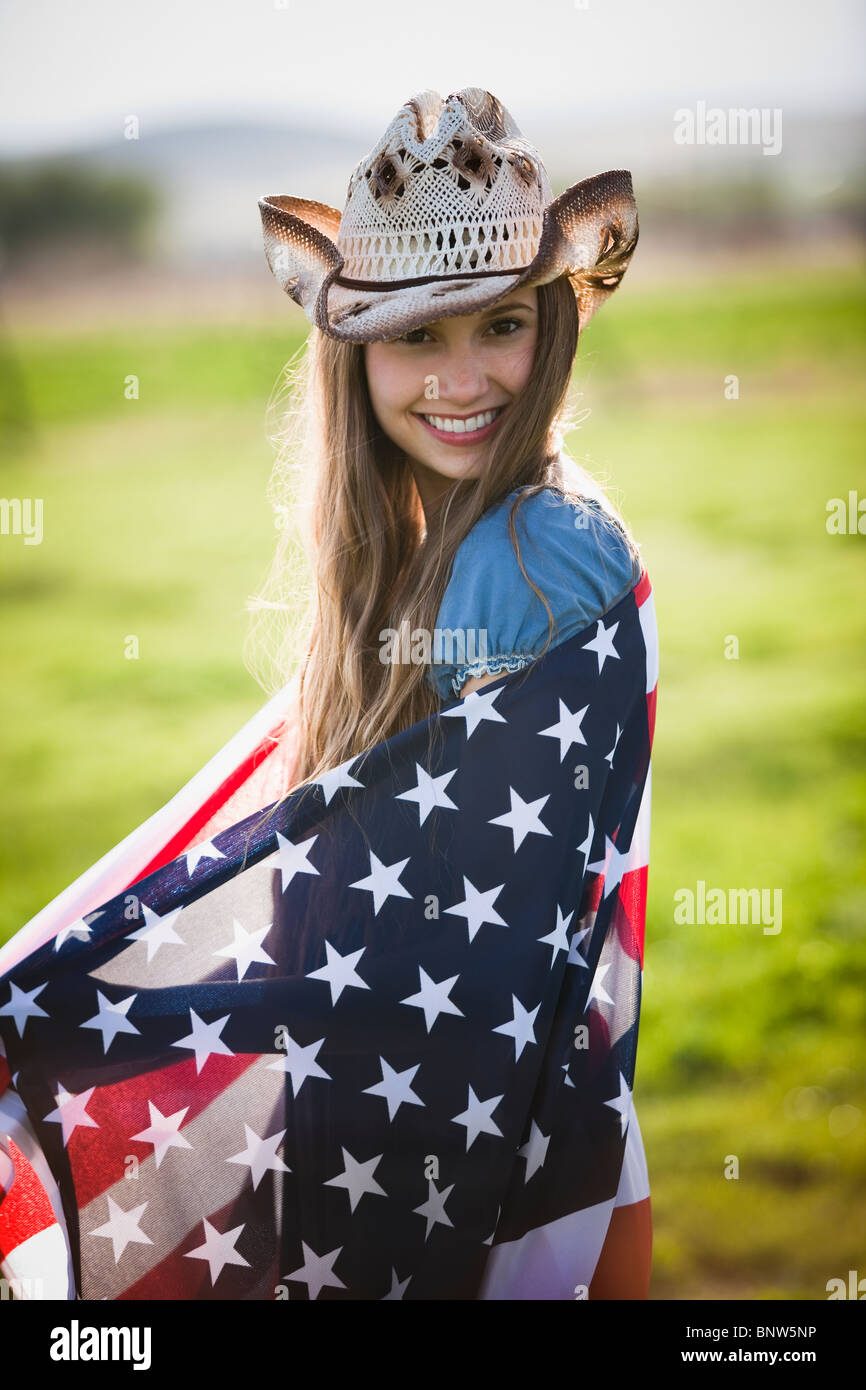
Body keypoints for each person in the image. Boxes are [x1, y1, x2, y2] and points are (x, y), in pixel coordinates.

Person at [0, 86, 655, 1300]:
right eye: (414, 336)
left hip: (451, 1152)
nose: (461, 380)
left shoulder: (524, 562)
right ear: (354, 356)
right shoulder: (460, 543)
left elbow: (435, 958)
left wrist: (84, 1019)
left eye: (498, 325)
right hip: (442, 1117)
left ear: (551, 327)